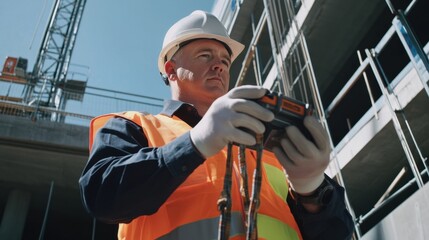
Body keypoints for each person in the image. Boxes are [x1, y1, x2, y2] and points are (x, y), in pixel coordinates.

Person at [79, 10, 354, 240]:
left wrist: (312, 190)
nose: (220, 66)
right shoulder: (134, 126)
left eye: (224, 60)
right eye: (205, 56)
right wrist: (194, 144)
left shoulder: (267, 144)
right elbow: (101, 196)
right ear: (171, 70)